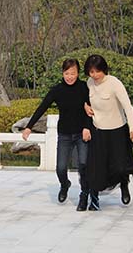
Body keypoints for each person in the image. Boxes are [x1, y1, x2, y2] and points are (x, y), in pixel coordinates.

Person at [22, 59, 92, 210]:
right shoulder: (57, 90)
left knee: (83, 164)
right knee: (60, 168)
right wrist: (29, 127)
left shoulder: (84, 87)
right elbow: (42, 107)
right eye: (67, 73)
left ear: (78, 73)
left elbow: (91, 108)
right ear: (62, 73)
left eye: (73, 73)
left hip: (81, 133)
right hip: (65, 134)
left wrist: (87, 127)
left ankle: (84, 194)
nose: (70, 77)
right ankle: (65, 184)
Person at [84, 54, 133, 211]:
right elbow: (85, 100)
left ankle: (124, 183)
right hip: (98, 130)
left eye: (97, 71)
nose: (94, 75)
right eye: (91, 72)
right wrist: (85, 106)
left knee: (120, 166)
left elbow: (127, 106)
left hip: (117, 130)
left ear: (104, 69)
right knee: (98, 166)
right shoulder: (89, 83)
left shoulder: (115, 83)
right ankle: (94, 199)